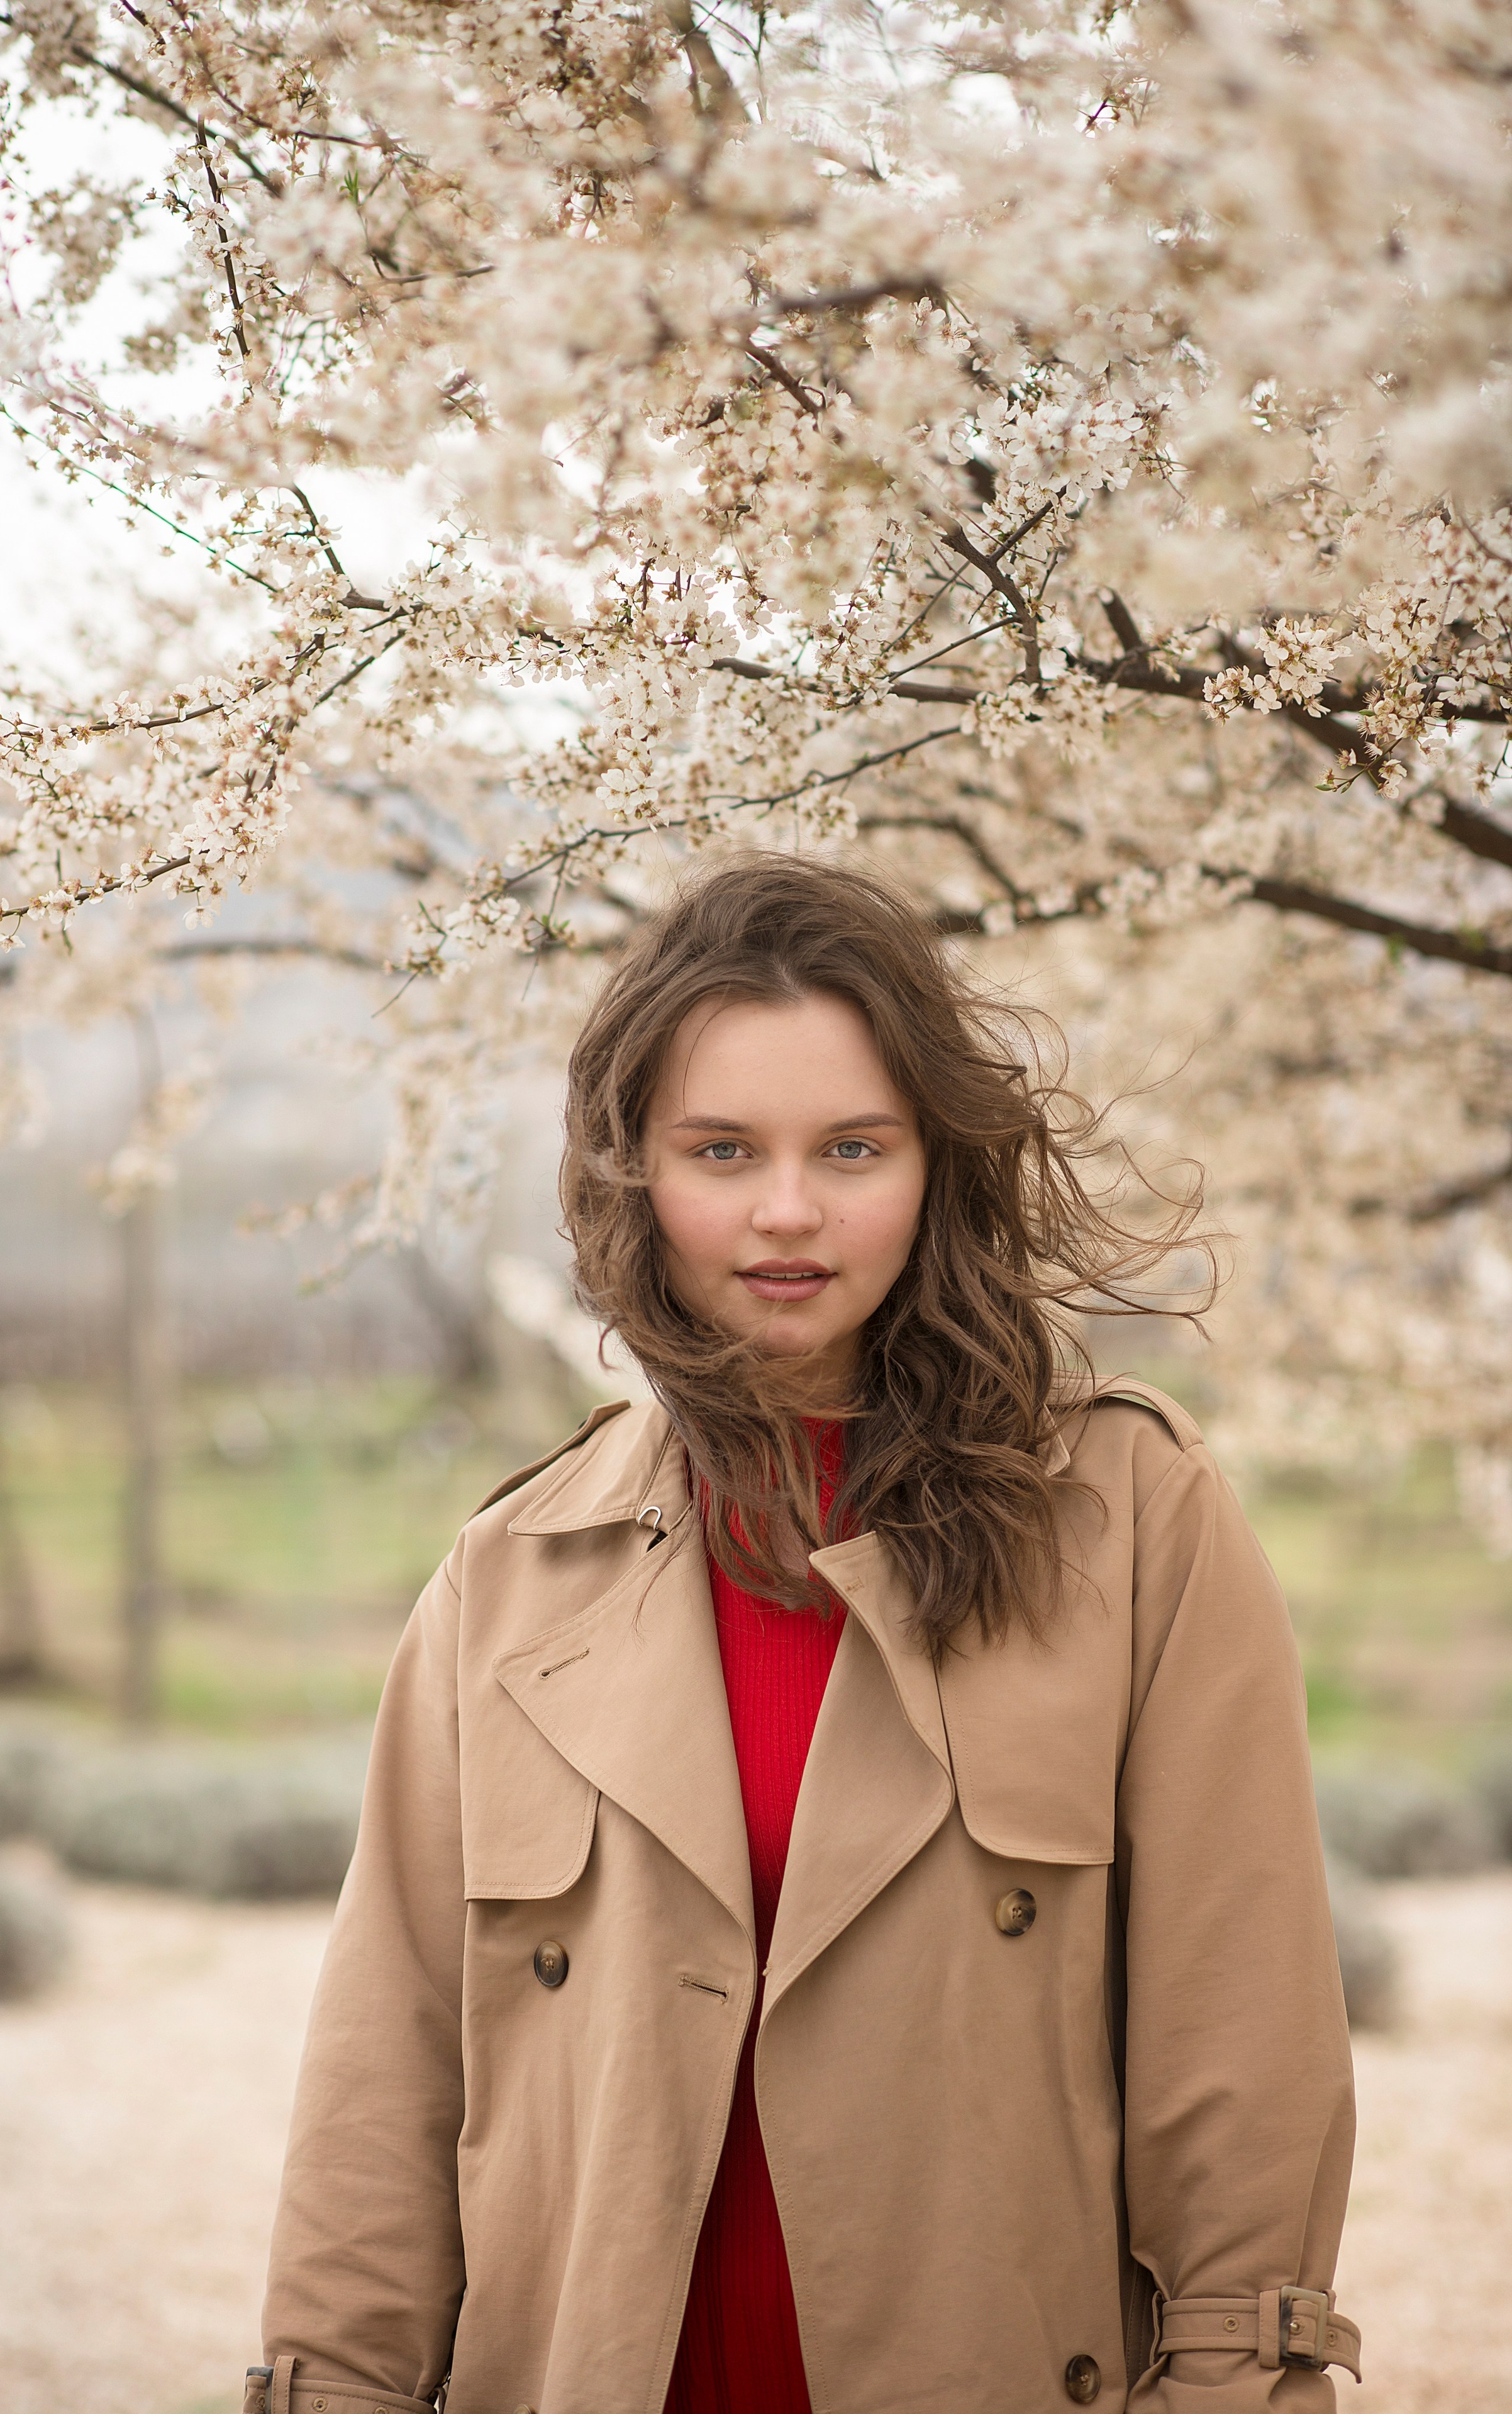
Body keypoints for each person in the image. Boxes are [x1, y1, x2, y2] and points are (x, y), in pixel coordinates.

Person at [248, 854, 1359, 2414]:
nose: (787, 1210)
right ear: (632, 1170)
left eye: (851, 1145)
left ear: (935, 1161)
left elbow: (1241, 2063)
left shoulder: (1131, 1520)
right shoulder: (505, 1580)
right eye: (721, 1148)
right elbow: (383, 2095)